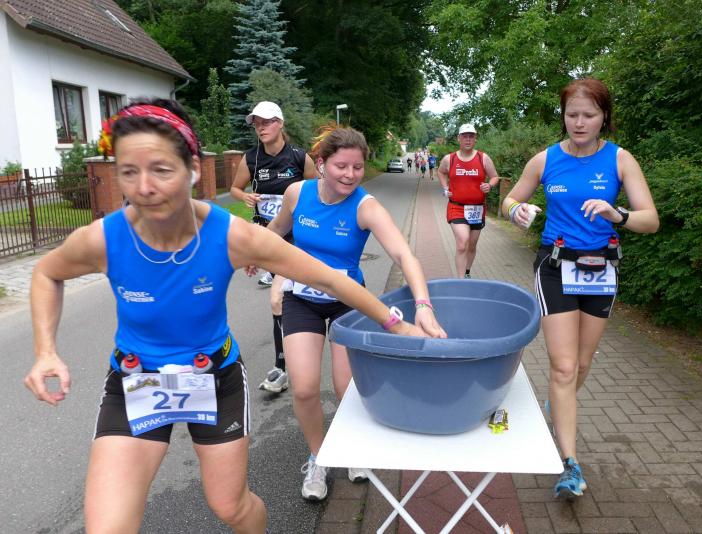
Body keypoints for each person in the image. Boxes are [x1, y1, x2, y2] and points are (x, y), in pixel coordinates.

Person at [23, 99, 426, 533]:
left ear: (193, 168)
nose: (144, 188)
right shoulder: (102, 238)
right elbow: (47, 273)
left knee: (230, 506)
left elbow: (329, 279)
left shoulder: (230, 235)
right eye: (128, 172)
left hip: (213, 379)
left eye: (161, 170)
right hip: (136, 379)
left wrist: (399, 323)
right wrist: (45, 350)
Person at [267, 125, 448, 501]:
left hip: (348, 301)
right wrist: (262, 260)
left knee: (347, 388)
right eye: (341, 166)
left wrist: (423, 306)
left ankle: (352, 448)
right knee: (304, 388)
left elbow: (404, 255)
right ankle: (319, 457)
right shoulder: (297, 193)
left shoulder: (366, 206)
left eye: (357, 167)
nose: (350, 175)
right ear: (321, 163)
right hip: (302, 299)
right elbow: (276, 231)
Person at [502, 78, 659, 499]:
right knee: (564, 367)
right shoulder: (545, 159)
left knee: (582, 365)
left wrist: (617, 214)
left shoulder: (620, 159)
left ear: (604, 116)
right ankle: (569, 464)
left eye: (589, 115)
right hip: (555, 267)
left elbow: (650, 220)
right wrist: (517, 211)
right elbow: (508, 199)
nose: (579, 122)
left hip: (601, 270)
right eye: (572, 114)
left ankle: (559, 404)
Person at [230, 101, 317, 394]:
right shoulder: (250, 158)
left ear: (280, 123)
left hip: (297, 238)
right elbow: (235, 188)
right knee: (282, 298)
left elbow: (317, 191)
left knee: (278, 298)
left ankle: (282, 366)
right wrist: (244, 196)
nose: (261, 128)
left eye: (266, 122)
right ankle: (286, 362)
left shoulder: (299, 157)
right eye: (256, 123)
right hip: (268, 236)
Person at [437, 124, 500, 278]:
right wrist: (445, 188)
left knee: (471, 245)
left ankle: (466, 273)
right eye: (465, 136)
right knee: (462, 242)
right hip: (456, 207)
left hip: (477, 209)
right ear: (459, 138)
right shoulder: (450, 159)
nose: (468, 139)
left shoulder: (483, 158)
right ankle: (460, 281)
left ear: (475, 139)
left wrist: (489, 185)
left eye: (471, 136)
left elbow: (494, 176)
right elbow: (441, 172)